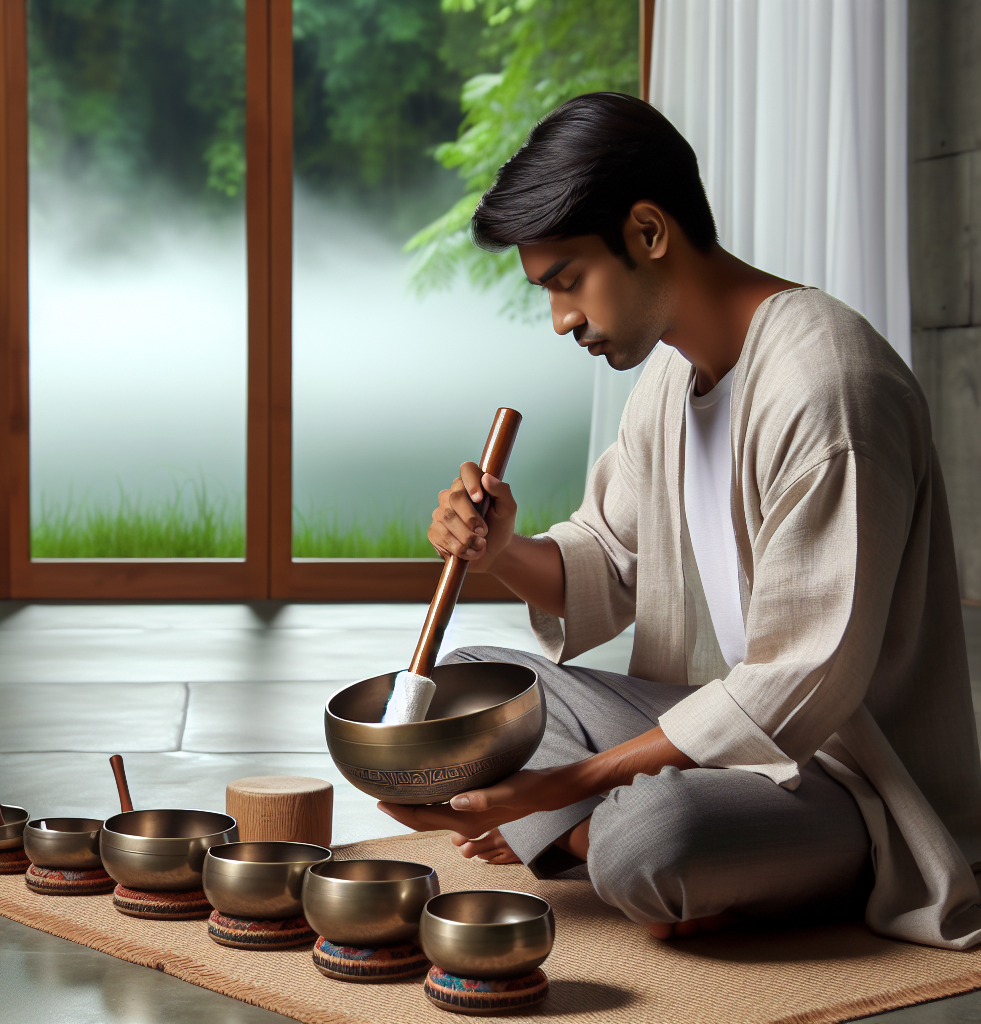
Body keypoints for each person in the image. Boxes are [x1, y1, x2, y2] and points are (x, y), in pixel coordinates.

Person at [378, 93, 981, 950]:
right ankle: (650, 850)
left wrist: (560, 792)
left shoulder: (827, 387)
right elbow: (606, 563)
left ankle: (608, 840)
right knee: (471, 687)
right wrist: (504, 549)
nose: (562, 320)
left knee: (651, 836)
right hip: (703, 726)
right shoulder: (669, 382)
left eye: (568, 281)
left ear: (649, 232)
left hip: (849, 777)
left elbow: (795, 686)